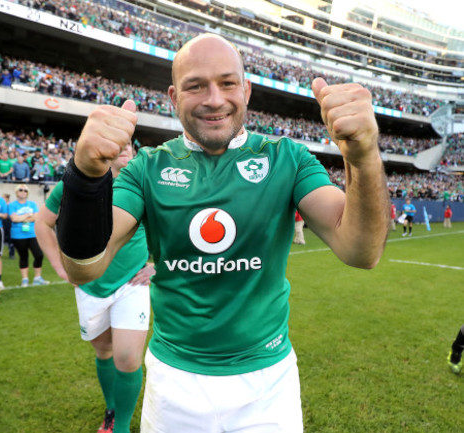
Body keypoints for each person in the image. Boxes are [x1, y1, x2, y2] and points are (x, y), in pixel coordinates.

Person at [55, 34, 389, 432]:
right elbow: (84, 268)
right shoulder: (146, 168)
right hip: (174, 380)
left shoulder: (288, 159)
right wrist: (85, 176)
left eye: (228, 83)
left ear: (246, 90)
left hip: (267, 382)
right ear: (173, 95)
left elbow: (361, 250)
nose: (214, 99)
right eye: (196, 86)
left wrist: (365, 156)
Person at [36, 143, 154, 433]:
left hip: (132, 284)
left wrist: (157, 266)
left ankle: (122, 426)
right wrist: (60, 266)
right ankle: (111, 409)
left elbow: (177, 228)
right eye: (118, 143)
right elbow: (42, 222)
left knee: (126, 358)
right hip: (90, 285)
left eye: (130, 143)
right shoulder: (74, 184)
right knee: (103, 352)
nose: (125, 147)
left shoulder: (145, 184)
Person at [7, 184, 49, 286]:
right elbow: (14, 219)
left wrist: (21, 218)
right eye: (20, 190)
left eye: (25, 190)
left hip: (32, 234)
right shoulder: (12, 205)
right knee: (23, 256)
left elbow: (36, 217)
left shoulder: (32, 204)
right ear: (16, 192)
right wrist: (27, 215)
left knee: (39, 255)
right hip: (18, 235)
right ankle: (24, 280)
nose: (23, 192)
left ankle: (37, 278)